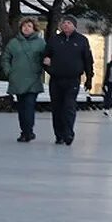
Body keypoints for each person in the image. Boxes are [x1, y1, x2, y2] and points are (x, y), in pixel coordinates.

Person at [43, 15, 94, 146]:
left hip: (73, 79)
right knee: (57, 108)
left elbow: (88, 60)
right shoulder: (54, 40)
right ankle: (59, 134)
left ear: (74, 26)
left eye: (69, 23)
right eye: (64, 23)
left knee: (69, 107)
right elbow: (45, 56)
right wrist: (48, 66)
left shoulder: (82, 40)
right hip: (56, 79)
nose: (66, 25)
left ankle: (68, 133)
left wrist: (89, 78)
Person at [2, 18, 47, 143]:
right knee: (21, 108)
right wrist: (9, 71)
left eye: (29, 26)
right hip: (17, 79)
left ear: (34, 28)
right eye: (24, 26)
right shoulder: (14, 43)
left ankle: (28, 131)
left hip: (33, 80)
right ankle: (25, 131)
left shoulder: (41, 43)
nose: (26, 28)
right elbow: (5, 58)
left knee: (29, 106)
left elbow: (46, 57)